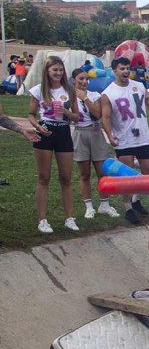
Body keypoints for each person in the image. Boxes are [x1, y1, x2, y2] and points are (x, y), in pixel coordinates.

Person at [100, 56, 149, 225]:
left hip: (143, 138)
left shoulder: (139, 86)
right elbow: (105, 117)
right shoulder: (108, 93)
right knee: (127, 178)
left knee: (147, 172)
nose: (126, 71)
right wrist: (110, 134)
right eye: (122, 68)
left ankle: (136, 200)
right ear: (114, 71)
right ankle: (128, 207)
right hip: (124, 140)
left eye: (128, 68)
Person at [28, 56, 80, 234]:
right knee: (44, 177)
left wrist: (66, 111)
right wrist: (37, 126)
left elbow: (76, 117)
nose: (58, 73)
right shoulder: (38, 90)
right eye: (54, 70)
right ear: (47, 71)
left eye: (60, 70)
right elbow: (31, 114)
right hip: (45, 132)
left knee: (66, 178)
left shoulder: (70, 90)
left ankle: (69, 218)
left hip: (63, 132)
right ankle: (42, 220)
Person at [70, 68, 119, 219]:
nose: (84, 82)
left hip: (96, 132)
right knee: (84, 173)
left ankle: (104, 204)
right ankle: (89, 206)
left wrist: (85, 98)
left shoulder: (94, 95)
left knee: (102, 171)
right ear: (74, 81)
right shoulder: (70, 96)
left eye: (86, 79)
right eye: (81, 79)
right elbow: (74, 117)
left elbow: (97, 114)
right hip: (80, 133)